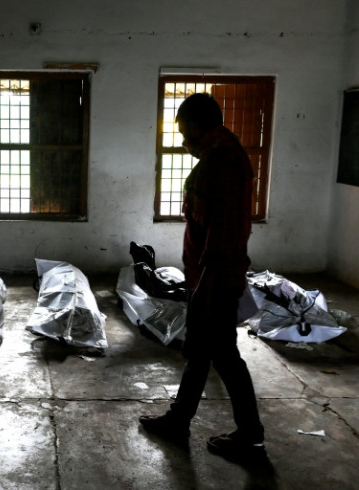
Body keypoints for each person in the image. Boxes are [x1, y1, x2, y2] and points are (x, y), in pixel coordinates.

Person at [139, 93, 265, 460]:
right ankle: (180, 419)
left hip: (216, 279)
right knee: (200, 351)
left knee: (223, 355)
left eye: (183, 131)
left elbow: (222, 233)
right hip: (209, 277)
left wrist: (204, 289)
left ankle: (250, 436)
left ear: (196, 125)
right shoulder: (220, 155)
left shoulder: (223, 162)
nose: (182, 140)